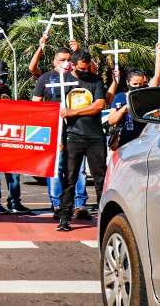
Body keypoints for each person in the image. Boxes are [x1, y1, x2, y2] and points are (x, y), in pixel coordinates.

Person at [32, 46, 90, 221]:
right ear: (54, 61)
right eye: (61, 60)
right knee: (56, 168)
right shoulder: (45, 79)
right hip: (55, 129)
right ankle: (57, 204)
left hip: (76, 127)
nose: (65, 63)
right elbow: (36, 105)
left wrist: (78, 48)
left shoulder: (78, 77)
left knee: (78, 168)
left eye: (68, 60)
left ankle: (80, 205)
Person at [57, 50, 107, 231]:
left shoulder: (95, 80)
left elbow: (99, 105)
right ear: (73, 65)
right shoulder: (65, 82)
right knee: (69, 179)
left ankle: (104, 218)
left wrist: (75, 112)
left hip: (95, 137)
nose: (85, 71)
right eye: (81, 69)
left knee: (100, 179)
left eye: (87, 68)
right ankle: (64, 218)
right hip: (73, 137)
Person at [0, 44, 31, 215]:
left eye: (5, 76)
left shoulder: (7, 89)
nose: (2, 79)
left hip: (8, 132)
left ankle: (15, 202)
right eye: (0, 76)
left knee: (14, 171)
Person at [108, 42, 160, 149]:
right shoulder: (120, 97)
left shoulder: (145, 93)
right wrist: (125, 108)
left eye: (141, 84)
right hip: (125, 142)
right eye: (135, 84)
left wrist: (158, 54)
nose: (138, 87)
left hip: (144, 140)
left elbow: (157, 76)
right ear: (128, 82)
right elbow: (111, 120)